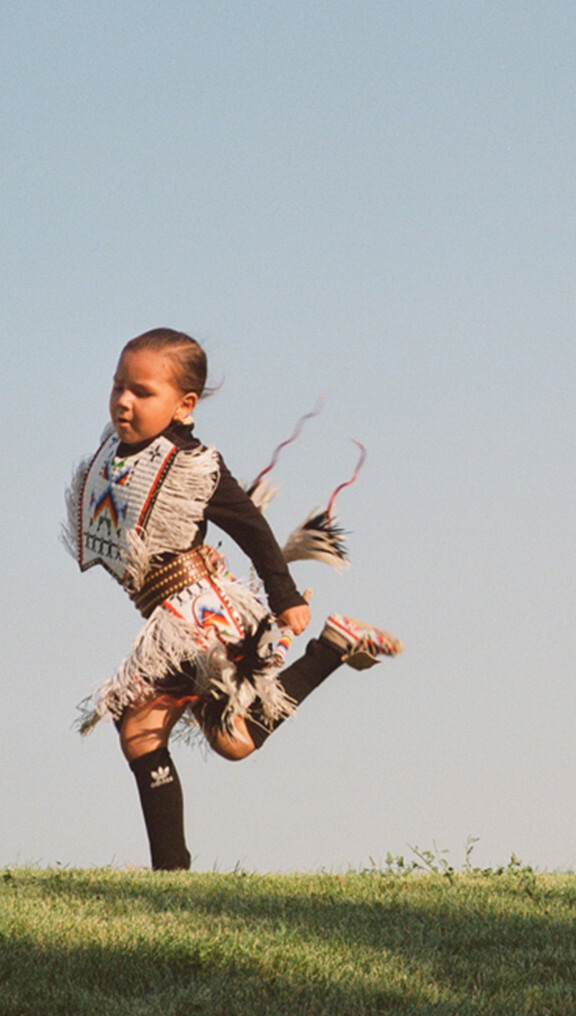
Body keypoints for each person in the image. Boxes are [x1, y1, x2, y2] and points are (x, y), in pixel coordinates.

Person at [65, 327, 400, 870]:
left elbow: (251, 527)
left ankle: (171, 872)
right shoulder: (116, 453)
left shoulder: (194, 465)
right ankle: (334, 647)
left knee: (155, 733)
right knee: (220, 740)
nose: (124, 401)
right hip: (167, 618)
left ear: (184, 405)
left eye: (142, 392)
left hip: (200, 616)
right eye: (118, 386)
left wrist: (284, 594)